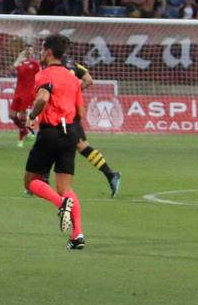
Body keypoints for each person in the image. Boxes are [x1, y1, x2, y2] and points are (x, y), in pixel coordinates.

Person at [22, 34, 88, 249]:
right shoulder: (73, 79)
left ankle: (61, 204)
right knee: (66, 186)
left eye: (42, 49)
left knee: (31, 181)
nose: (41, 53)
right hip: (70, 133)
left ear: (49, 52)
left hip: (50, 131)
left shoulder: (44, 74)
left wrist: (32, 116)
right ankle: (77, 235)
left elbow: (42, 98)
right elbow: (80, 110)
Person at [66, 62, 121, 197]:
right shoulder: (74, 64)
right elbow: (89, 80)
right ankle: (111, 175)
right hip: (72, 109)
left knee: (74, 145)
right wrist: (75, 92)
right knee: (78, 146)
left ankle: (37, 182)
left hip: (64, 111)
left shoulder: (54, 66)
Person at [9, 44, 41, 146]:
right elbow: (11, 70)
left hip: (29, 92)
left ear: (33, 52)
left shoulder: (35, 64)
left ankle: (20, 141)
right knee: (12, 115)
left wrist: (38, 90)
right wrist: (18, 59)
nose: (28, 51)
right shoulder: (20, 63)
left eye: (30, 50)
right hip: (18, 92)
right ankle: (27, 131)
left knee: (23, 116)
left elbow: (40, 76)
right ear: (24, 51)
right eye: (27, 49)